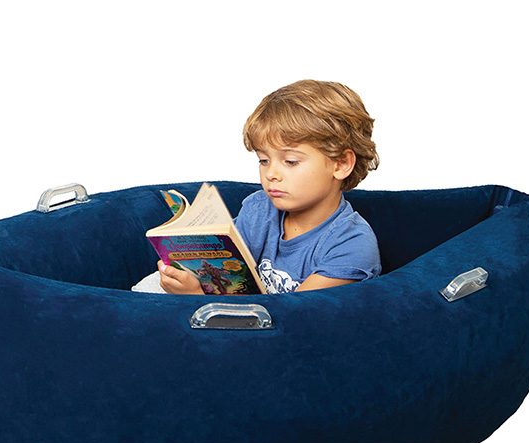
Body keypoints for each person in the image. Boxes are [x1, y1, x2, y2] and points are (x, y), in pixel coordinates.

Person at [148, 79, 381, 294]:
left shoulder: (352, 243)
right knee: (152, 284)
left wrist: (196, 297)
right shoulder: (259, 209)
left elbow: (294, 316)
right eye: (263, 160)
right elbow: (229, 274)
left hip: (275, 324)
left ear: (341, 164)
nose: (271, 174)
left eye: (291, 161)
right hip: (232, 305)